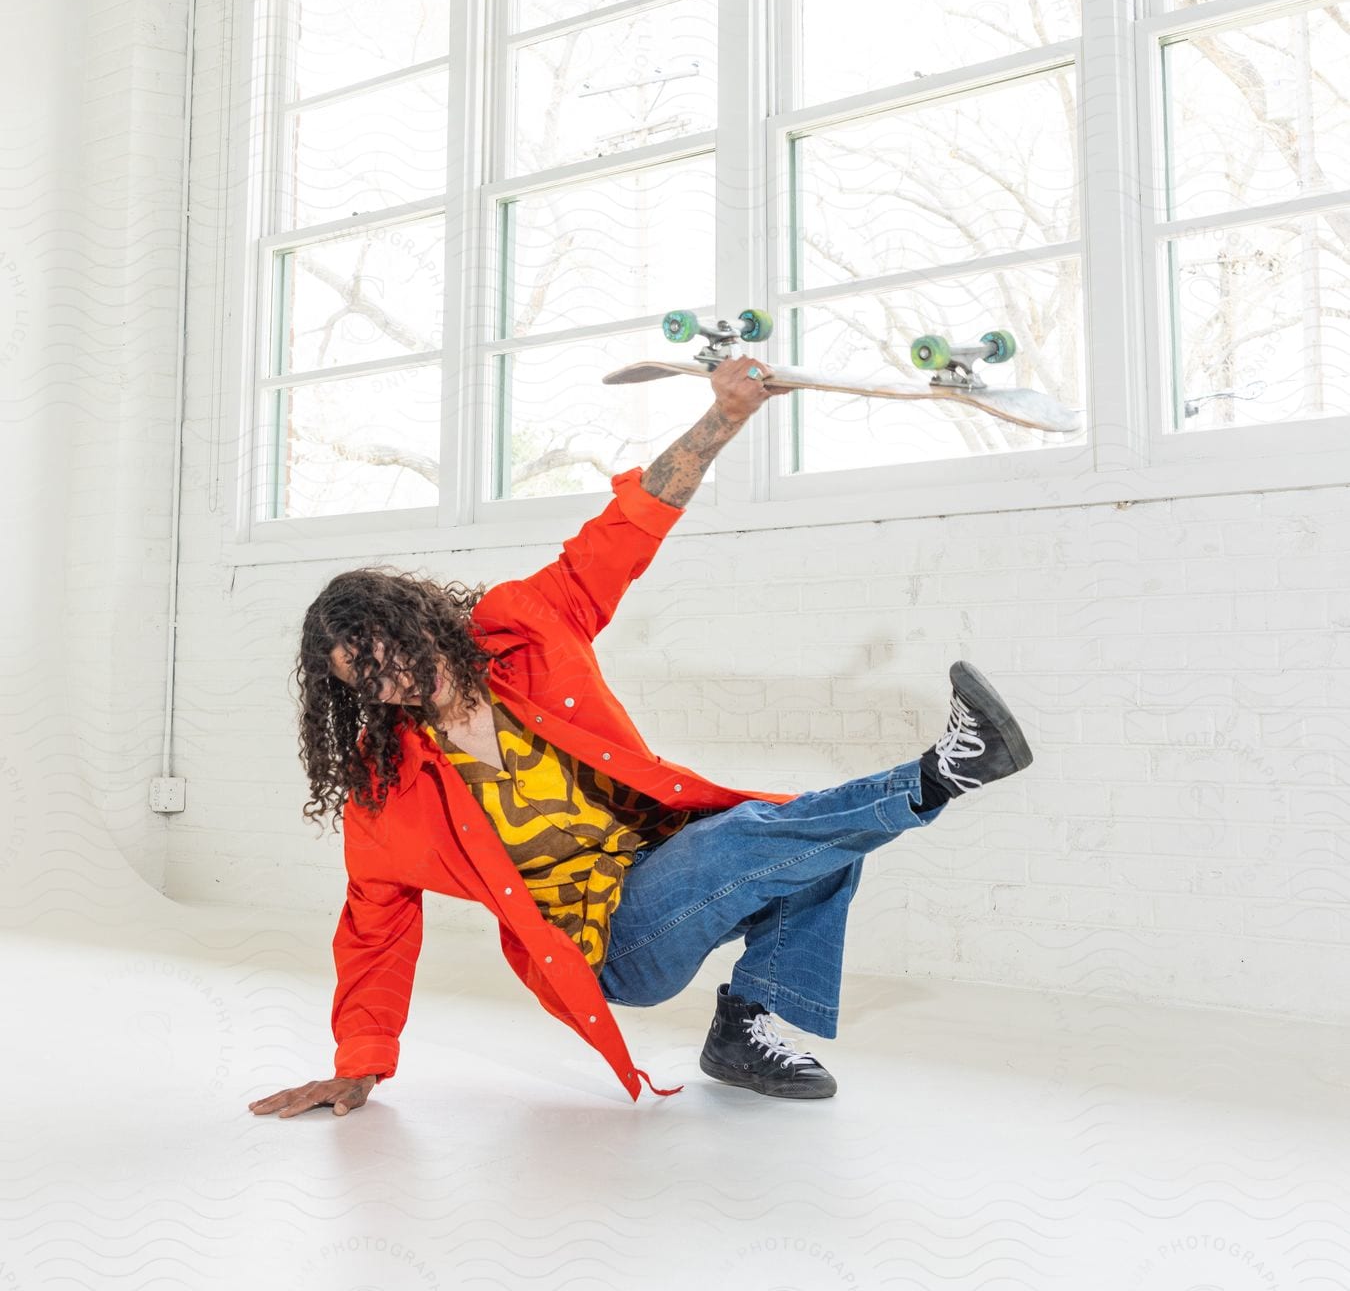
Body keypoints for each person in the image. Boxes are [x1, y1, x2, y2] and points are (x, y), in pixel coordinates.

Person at [248, 354, 1033, 1121]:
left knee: (818, 849)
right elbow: (374, 930)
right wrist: (358, 1067)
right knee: (760, 831)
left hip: (668, 871)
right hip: (606, 946)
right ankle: (945, 772)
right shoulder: (387, 784)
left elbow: (627, 529)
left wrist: (723, 416)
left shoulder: (526, 625)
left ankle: (743, 1030)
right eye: (366, 684)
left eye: (385, 657)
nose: (389, 685)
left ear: (415, 621)